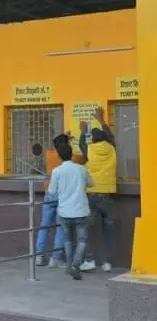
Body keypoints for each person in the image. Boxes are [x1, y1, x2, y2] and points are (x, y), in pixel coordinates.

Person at [35, 133, 86, 268]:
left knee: (44, 225)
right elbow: (84, 158)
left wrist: (64, 137)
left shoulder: (50, 154)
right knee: (60, 228)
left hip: (49, 193)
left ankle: (39, 256)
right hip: (63, 196)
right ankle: (56, 258)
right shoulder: (72, 158)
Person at [78, 107, 117, 273]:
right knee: (108, 230)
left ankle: (89, 260)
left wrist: (83, 131)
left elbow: (81, 144)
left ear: (92, 140)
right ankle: (107, 263)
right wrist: (101, 120)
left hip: (92, 196)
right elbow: (111, 136)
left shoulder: (90, 150)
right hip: (108, 196)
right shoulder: (112, 148)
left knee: (86, 228)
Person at [48, 143, 94, 280]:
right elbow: (91, 183)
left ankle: (69, 266)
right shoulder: (81, 169)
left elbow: (52, 191)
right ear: (72, 154)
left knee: (68, 239)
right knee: (82, 240)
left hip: (64, 211)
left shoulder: (56, 171)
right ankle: (75, 265)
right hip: (81, 210)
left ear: (59, 156)